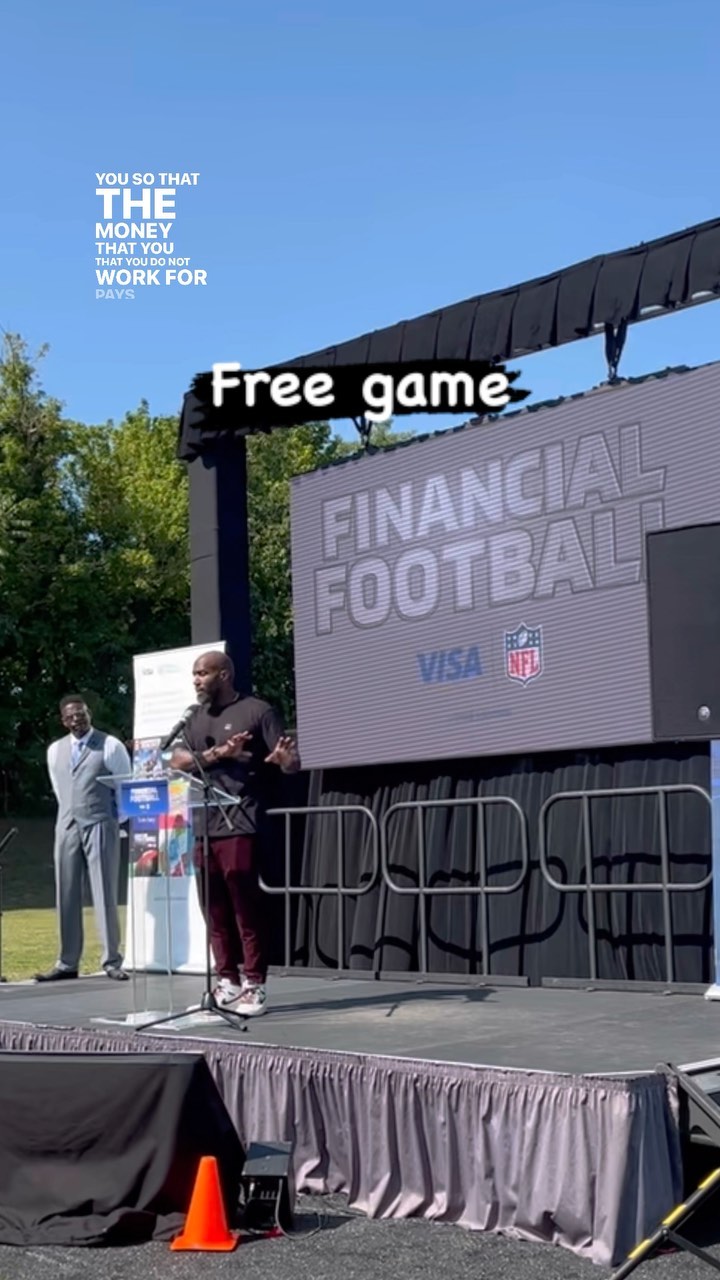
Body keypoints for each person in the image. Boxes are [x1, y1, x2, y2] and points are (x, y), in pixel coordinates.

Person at [170, 650, 300, 1016]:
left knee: (245, 905)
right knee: (212, 908)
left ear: (224, 674)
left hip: (240, 820)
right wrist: (218, 754)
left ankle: (254, 983)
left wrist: (286, 762)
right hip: (203, 824)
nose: (196, 680)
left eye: (202, 673)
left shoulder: (257, 711)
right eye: (194, 674)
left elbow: (291, 762)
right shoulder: (194, 717)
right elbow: (177, 761)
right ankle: (226, 980)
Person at [36, 695, 132, 982]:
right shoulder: (55, 750)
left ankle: (111, 960)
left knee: (104, 890)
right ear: (63, 721)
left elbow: (123, 785)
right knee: (65, 891)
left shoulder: (110, 745)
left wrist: (116, 820)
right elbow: (59, 786)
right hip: (67, 824)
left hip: (100, 821)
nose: (77, 719)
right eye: (71, 716)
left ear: (89, 714)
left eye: (81, 714)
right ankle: (67, 962)